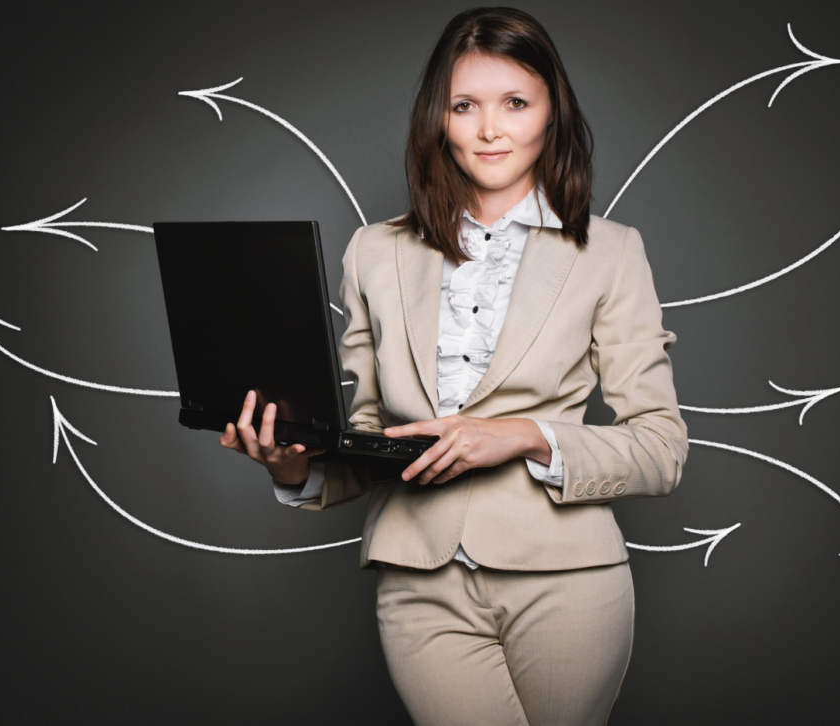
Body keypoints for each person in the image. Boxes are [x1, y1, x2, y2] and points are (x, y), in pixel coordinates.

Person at [218, 7, 687, 725]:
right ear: (438, 118)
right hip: (417, 575)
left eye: (516, 104)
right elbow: (373, 435)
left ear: (552, 113)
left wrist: (526, 434)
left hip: (568, 579)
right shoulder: (374, 252)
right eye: (464, 106)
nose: (489, 129)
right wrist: (291, 467)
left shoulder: (612, 251)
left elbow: (661, 448)